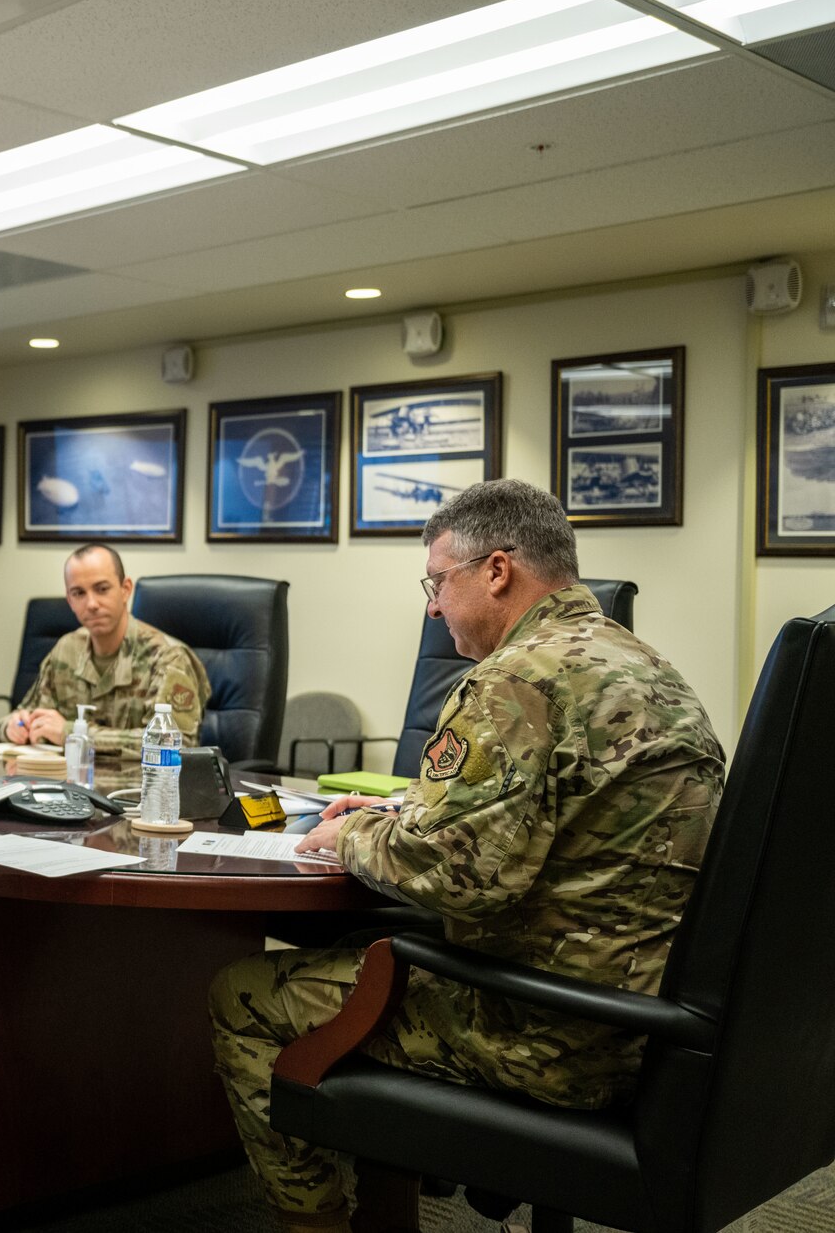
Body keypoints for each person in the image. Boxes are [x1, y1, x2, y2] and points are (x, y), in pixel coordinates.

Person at [208, 480, 725, 1233]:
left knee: (241, 994)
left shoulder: (517, 676)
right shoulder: (639, 661)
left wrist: (345, 833)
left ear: (497, 570)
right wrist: (405, 811)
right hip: (655, 1022)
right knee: (369, 951)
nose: (431, 605)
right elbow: (550, 817)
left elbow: (463, 877)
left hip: (547, 1029)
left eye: (437, 580)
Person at [0, 542, 209, 752]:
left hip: (140, 783)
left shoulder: (167, 656)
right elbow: (28, 714)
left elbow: (175, 743)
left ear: (125, 590)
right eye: (79, 593)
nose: (91, 603)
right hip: (70, 779)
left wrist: (73, 734)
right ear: (70, 601)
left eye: (102, 589)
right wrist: (13, 727)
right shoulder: (66, 650)